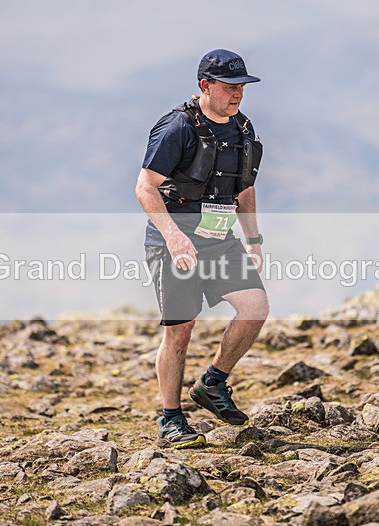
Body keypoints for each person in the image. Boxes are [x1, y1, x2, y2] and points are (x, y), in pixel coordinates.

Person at [134, 49, 269, 449]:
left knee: (255, 307)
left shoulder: (242, 127)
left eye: (242, 87)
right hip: (172, 239)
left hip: (219, 239)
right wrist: (174, 237)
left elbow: (244, 188)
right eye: (230, 87)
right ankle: (171, 421)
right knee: (180, 331)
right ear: (205, 86)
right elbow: (145, 187)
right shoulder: (177, 127)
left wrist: (254, 238)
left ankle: (213, 382)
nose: (238, 95)